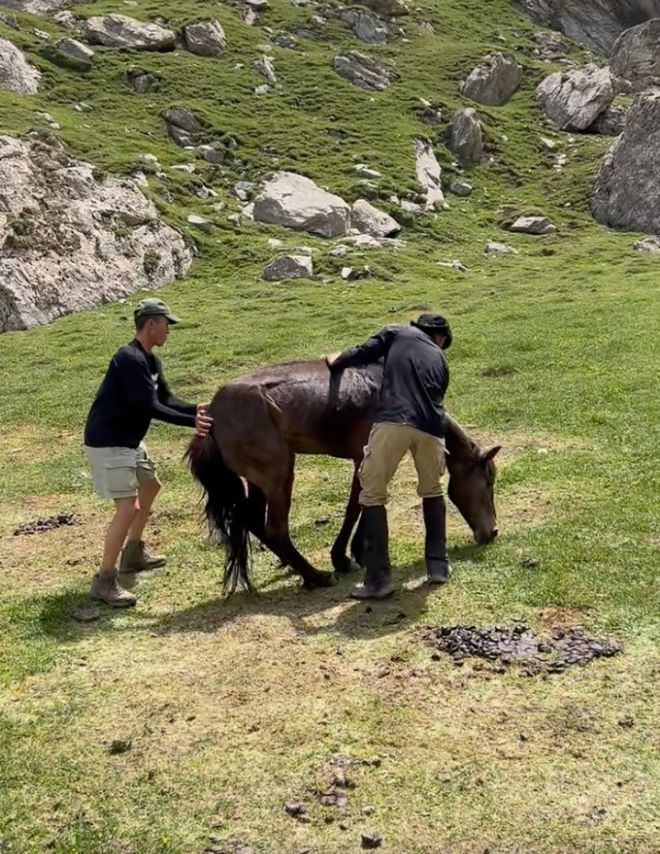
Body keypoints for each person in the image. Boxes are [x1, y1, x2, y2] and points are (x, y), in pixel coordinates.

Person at [83, 298, 213, 608]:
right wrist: (193, 423)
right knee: (127, 508)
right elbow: (148, 407)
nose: (169, 330)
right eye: (167, 324)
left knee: (151, 486)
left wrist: (198, 408)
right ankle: (105, 580)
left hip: (129, 442)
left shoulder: (150, 361)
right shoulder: (128, 359)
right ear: (151, 324)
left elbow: (165, 397)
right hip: (109, 442)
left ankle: (133, 553)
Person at [327, 313, 452, 600]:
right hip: (432, 429)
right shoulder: (441, 361)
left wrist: (338, 359)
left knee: (372, 495)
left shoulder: (398, 332)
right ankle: (438, 566)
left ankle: (378, 580)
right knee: (432, 490)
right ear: (440, 337)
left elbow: (366, 351)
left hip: (393, 422)